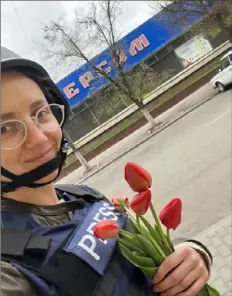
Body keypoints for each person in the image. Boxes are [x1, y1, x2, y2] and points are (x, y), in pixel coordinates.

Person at [1, 46, 212, 296]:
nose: (38, 137)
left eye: (41, 112)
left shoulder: (84, 196)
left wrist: (192, 256)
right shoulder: (8, 269)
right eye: (4, 129)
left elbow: (138, 266)